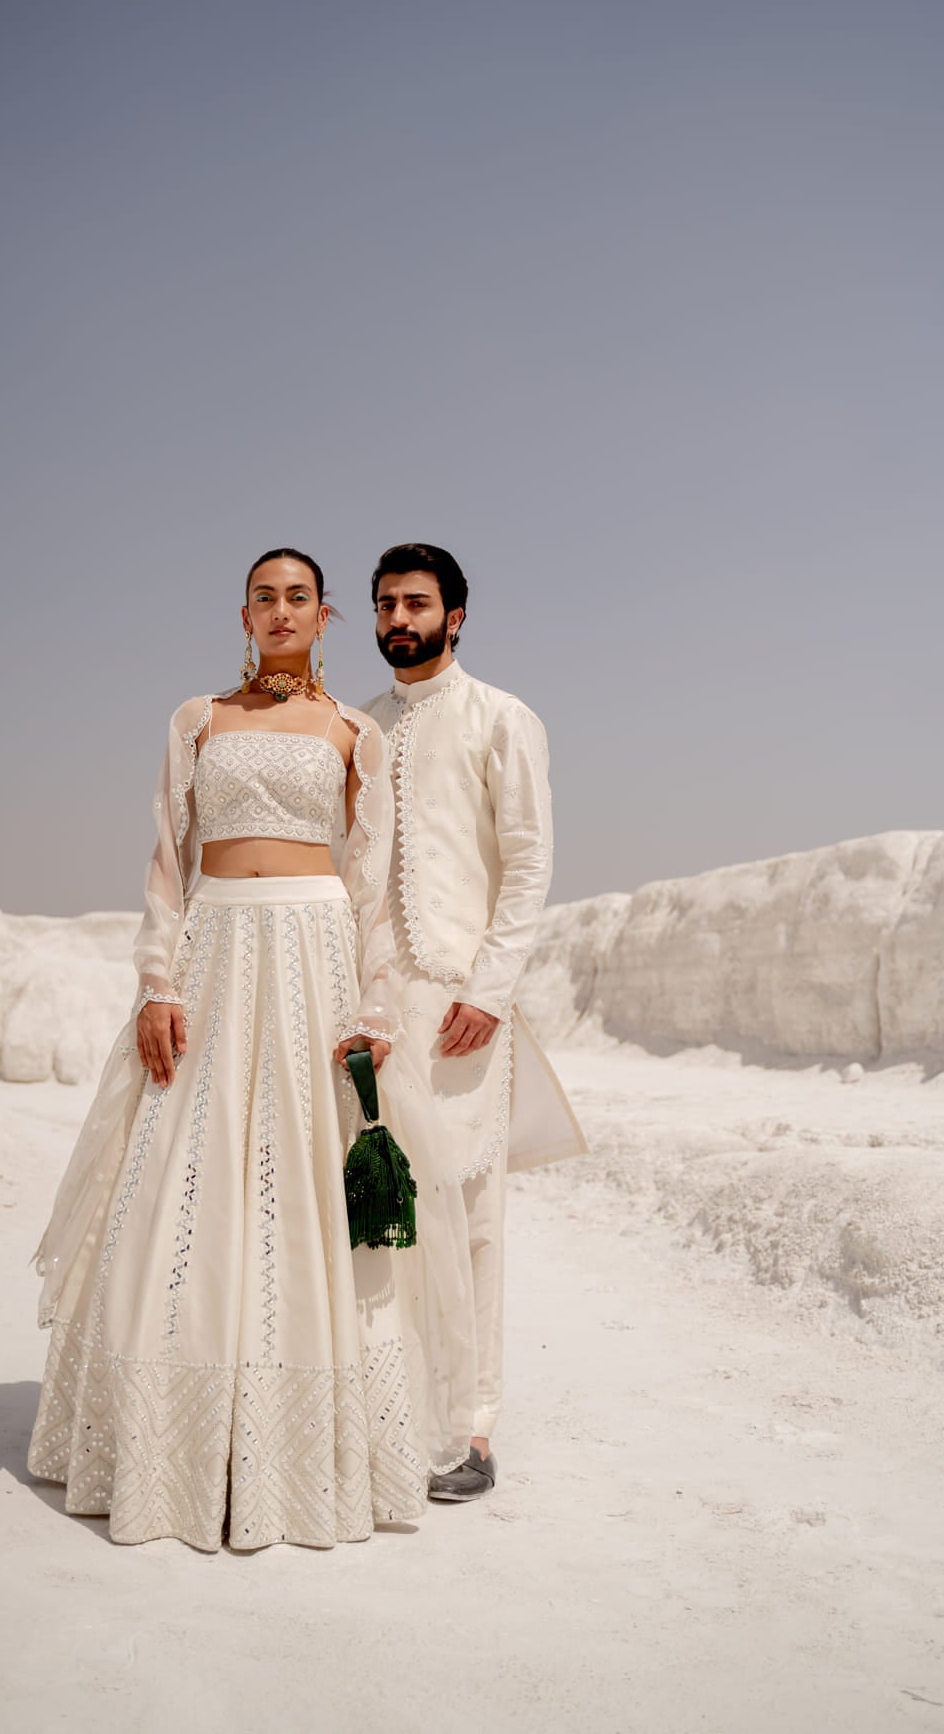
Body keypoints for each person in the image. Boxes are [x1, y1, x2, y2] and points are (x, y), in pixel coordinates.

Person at [27, 547, 472, 1551]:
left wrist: (372, 1007)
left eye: (299, 598)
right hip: (214, 949)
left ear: (326, 620)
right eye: (264, 597)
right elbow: (164, 860)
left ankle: (291, 1452)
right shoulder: (196, 719)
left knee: (298, 1188)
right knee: (183, 1179)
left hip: (314, 954)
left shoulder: (352, 731)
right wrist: (157, 982)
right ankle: (173, 1451)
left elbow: (367, 884)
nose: (281, 610)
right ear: (243, 613)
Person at [363, 542, 587, 1502]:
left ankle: (470, 1429)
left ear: (456, 616)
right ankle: (383, 1410)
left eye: (415, 602)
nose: (396, 620)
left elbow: (529, 861)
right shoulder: (360, 728)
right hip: (375, 1006)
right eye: (382, 604)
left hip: (462, 1007)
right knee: (381, 1207)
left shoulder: (503, 718)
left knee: (470, 1213)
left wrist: (491, 991)